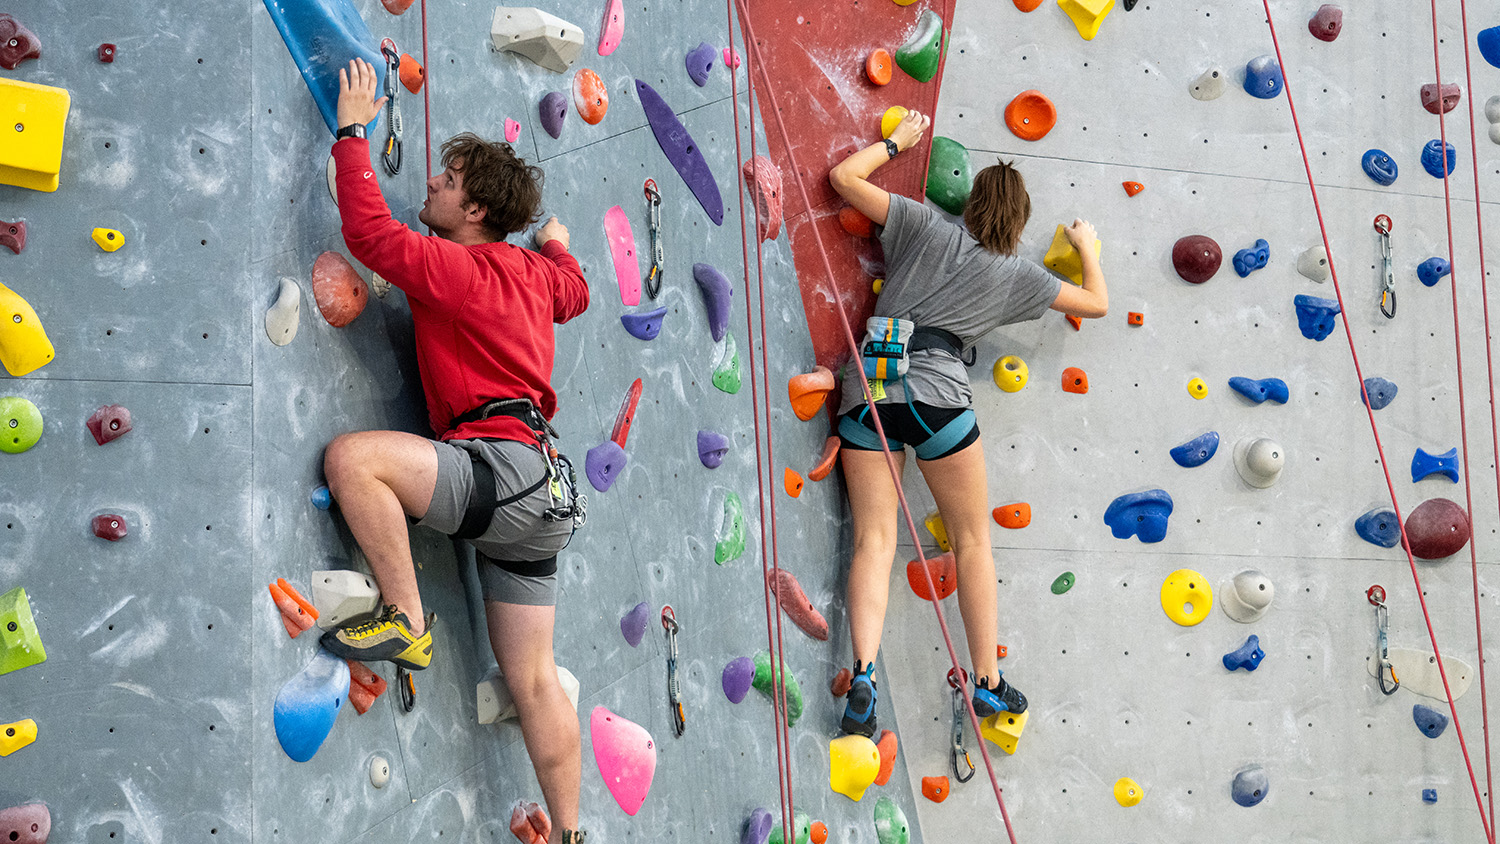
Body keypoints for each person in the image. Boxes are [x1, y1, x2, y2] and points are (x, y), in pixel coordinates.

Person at [316, 58, 590, 844]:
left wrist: (351, 130)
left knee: (353, 461)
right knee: (534, 680)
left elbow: (368, 233)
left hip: (498, 470)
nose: (430, 184)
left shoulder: (459, 269)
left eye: (445, 179)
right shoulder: (537, 273)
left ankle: (405, 615)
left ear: (472, 209)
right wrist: (560, 244)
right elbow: (575, 291)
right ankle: (572, 834)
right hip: (546, 499)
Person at [826, 109, 1108, 737]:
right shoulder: (1016, 276)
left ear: (972, 200)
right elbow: (1097, 303)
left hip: (869, 385)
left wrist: (896, 143)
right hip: (939, 396)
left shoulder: (924, 225)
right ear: (1021, 221)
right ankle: (987, 681)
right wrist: (1086, 246)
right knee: (973, 541)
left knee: (874, 539)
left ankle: (864, 671)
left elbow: (844, 177)